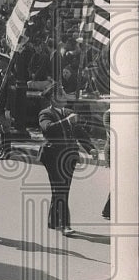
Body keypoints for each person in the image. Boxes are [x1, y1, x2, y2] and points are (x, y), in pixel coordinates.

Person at [38, 85, 98, 236]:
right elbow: (48, 129)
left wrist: (90, 148)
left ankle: (53, 220)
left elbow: (79, 132)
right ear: (53, 98)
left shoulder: (70, 113)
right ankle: (65, 225)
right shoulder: (45, 113)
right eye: (62, 94)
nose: (65, 96)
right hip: (52, 156)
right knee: (61, 189)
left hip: (69, 155)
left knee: (62, 189)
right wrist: (66, 121)